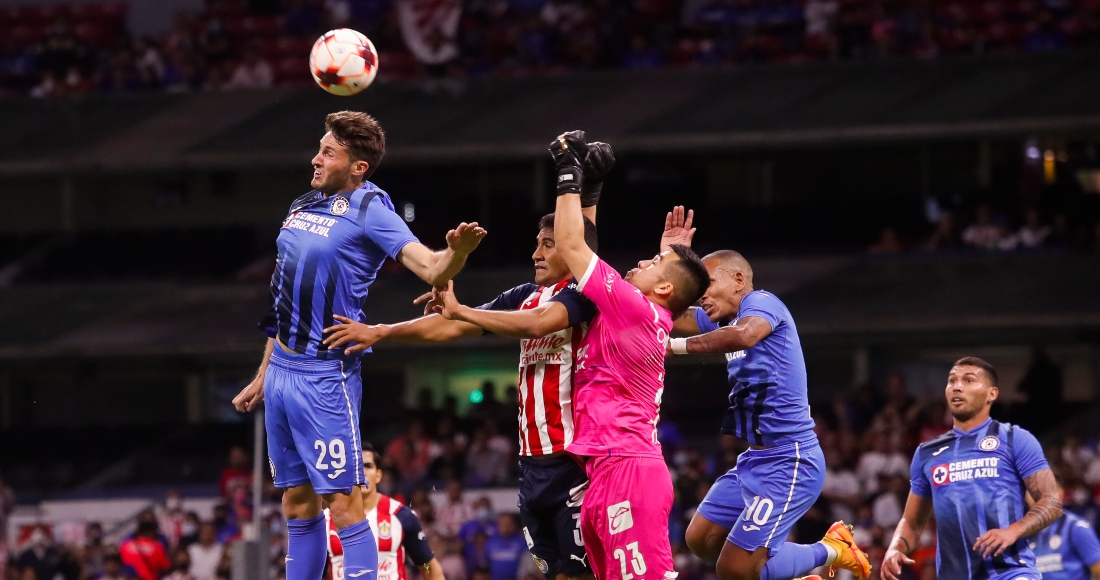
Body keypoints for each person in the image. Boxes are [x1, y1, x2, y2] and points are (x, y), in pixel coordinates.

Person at [321, 140, 616, 580]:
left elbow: (537, 324)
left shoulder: (587, 294)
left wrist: (583, 189)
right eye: (537, 242)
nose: (536, 252)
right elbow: (454, 326)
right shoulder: (525, 295)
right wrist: (381, 331)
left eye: (549, 244)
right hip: (532, 463)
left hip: (576, 462)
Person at [231, 111, 486, 580]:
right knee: (295, 501)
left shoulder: (372, 210)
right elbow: (282, 298)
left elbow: (431, 268)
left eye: (328, 152)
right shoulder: (304, 203)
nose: (316, 158)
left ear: (358, 167)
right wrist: (265, 372)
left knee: (344, 504)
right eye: (319, 148)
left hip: (325, 376)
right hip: (283, 372)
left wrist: (458, 254)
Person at [547, 130, 711, 580]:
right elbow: (585, 254)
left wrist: (568, 175)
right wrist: (592, 191)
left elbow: (571, 246)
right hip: (605, 472)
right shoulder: (639, 310)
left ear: (661, 289)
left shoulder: (633, 308)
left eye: (651, 264)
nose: (638, 264)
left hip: (628, 471)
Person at [665, 240, 870, 580]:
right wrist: (672, 264)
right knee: (700, 539)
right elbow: (669, 315)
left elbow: (744, 336)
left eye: (709, 284)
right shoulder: (720, 320)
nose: (702, 294)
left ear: (738, 281)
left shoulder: (760, 303)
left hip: (790, 460)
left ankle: (834, 549)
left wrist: (674, 347)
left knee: (732, 569)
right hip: (755, 459)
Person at [882, 357, 1064, 580]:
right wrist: (895, 548)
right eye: (952, 380)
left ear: (992, 394)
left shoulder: (1014, 438)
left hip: (1011, 572)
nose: (957, 386)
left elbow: (1052, 501)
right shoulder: (926, 452)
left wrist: (1013, 531)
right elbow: (911, 523)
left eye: (969, 380)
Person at [325, 444, 443, 580]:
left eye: (368, 466)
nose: (361, 472)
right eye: (356, 467)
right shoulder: (326, 521)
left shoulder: (401, 515)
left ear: (378, 475)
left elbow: (429, 568)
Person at [1030, 509, 1100, 580]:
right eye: (1031, 496)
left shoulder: (1076, 527)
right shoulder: (1024, 533)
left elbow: (1098, 570)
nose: (1037, 499)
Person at [486, 514, 528, 580]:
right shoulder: (491, 541)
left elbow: (526, 563)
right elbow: (486, 562)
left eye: (508, 523)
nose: (505, 526)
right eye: (503, 523)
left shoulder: (522, 541)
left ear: (514, 525)